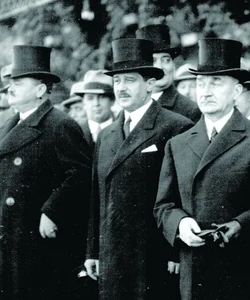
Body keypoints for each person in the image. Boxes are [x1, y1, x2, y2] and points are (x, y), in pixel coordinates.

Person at [154, 38, 250, 300]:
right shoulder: (178, 143)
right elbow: (163, 206)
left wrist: (240, 224)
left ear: (237, 91)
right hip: (194, 272)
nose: (205, 91)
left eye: (216, 82)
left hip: (246, 269)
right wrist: (180, 224)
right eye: (200, 83)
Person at [84, 38, 193, 300]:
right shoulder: (108, 134)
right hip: (112, 255)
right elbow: (97, 197)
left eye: (130, 80)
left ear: (150, 83)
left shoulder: (176, 126)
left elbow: (182, 195)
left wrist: (175, 253)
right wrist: (92, 251)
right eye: (117, 81)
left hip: (153, 254)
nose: (121, 88)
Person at [0, 45, 91, 300]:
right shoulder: (9, 124)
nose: (11, 87)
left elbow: (80, 175)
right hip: (10, 235)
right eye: (11, 82)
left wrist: (52, 210)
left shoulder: (60, 124)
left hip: (37, 240)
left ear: (40, 90)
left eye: (19, 82)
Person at [136, 24, 201, 122]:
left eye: (166, 60)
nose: (160, 67)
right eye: (153, 61)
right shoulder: (132, 105)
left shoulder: (190, 110)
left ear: (173, 65)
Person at [75, 69, 116, 151]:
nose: (96, 103)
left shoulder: (124, 129)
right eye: (90, 98)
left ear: (112, 101)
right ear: (84, 102)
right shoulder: (75, 131)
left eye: (102, 97)